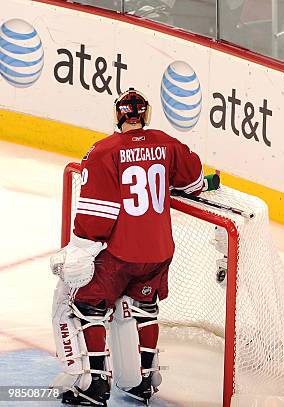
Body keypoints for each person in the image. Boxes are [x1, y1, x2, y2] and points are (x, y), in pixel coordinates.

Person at [50, 88, 204, 405]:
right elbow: (195, 181)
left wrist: (79, 249)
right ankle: (144, 379)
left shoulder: (103, 151)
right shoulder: (167, 144)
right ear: (145, 115)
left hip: (122, 254)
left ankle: (94, 385)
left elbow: (96, 217)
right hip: (160, 252)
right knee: (142, 306)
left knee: (87, 303)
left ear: (118, 115)